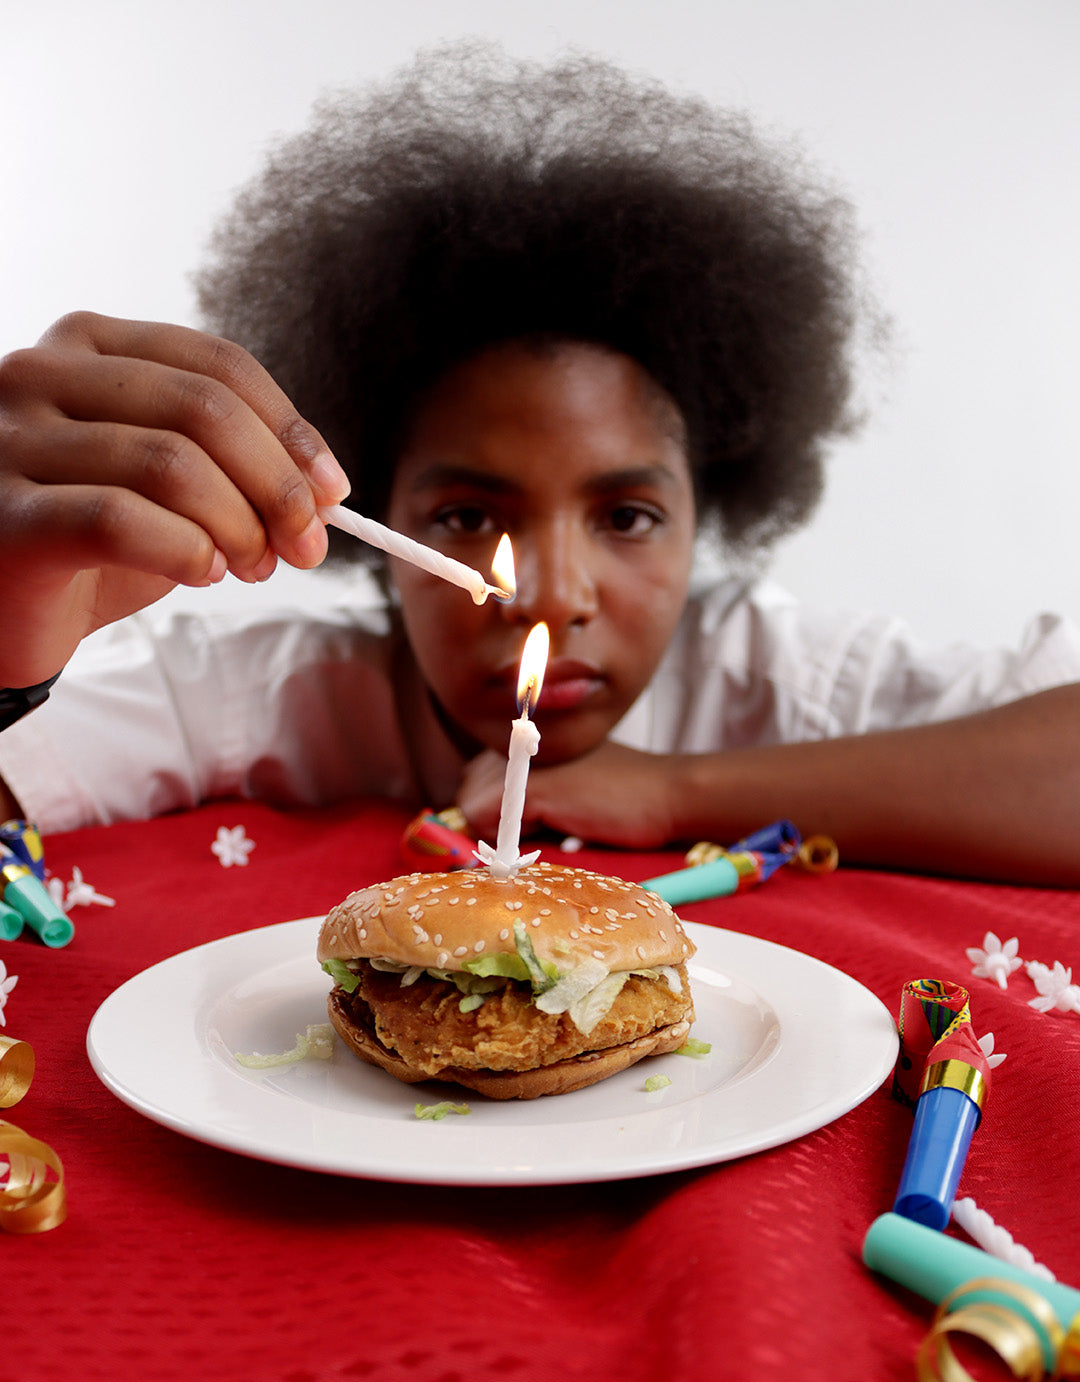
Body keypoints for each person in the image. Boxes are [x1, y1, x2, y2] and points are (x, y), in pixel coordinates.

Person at [0, 44, 1077, 884]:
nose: (551, 598)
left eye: (628, 518)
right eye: (468, 516)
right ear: (366, 517)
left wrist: (677, 790)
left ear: (717, 504)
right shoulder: (270, 695)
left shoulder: (780, 681)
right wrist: (8, 653)